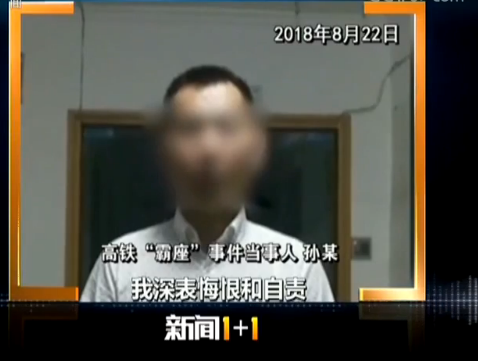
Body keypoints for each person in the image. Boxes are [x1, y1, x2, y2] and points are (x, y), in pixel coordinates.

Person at [81, 65, 334, 302]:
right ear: (165, 151)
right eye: (190, 129)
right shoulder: (119, 264)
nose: (209, 149)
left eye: (227, 128)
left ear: (255, 149)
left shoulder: (298, 267)